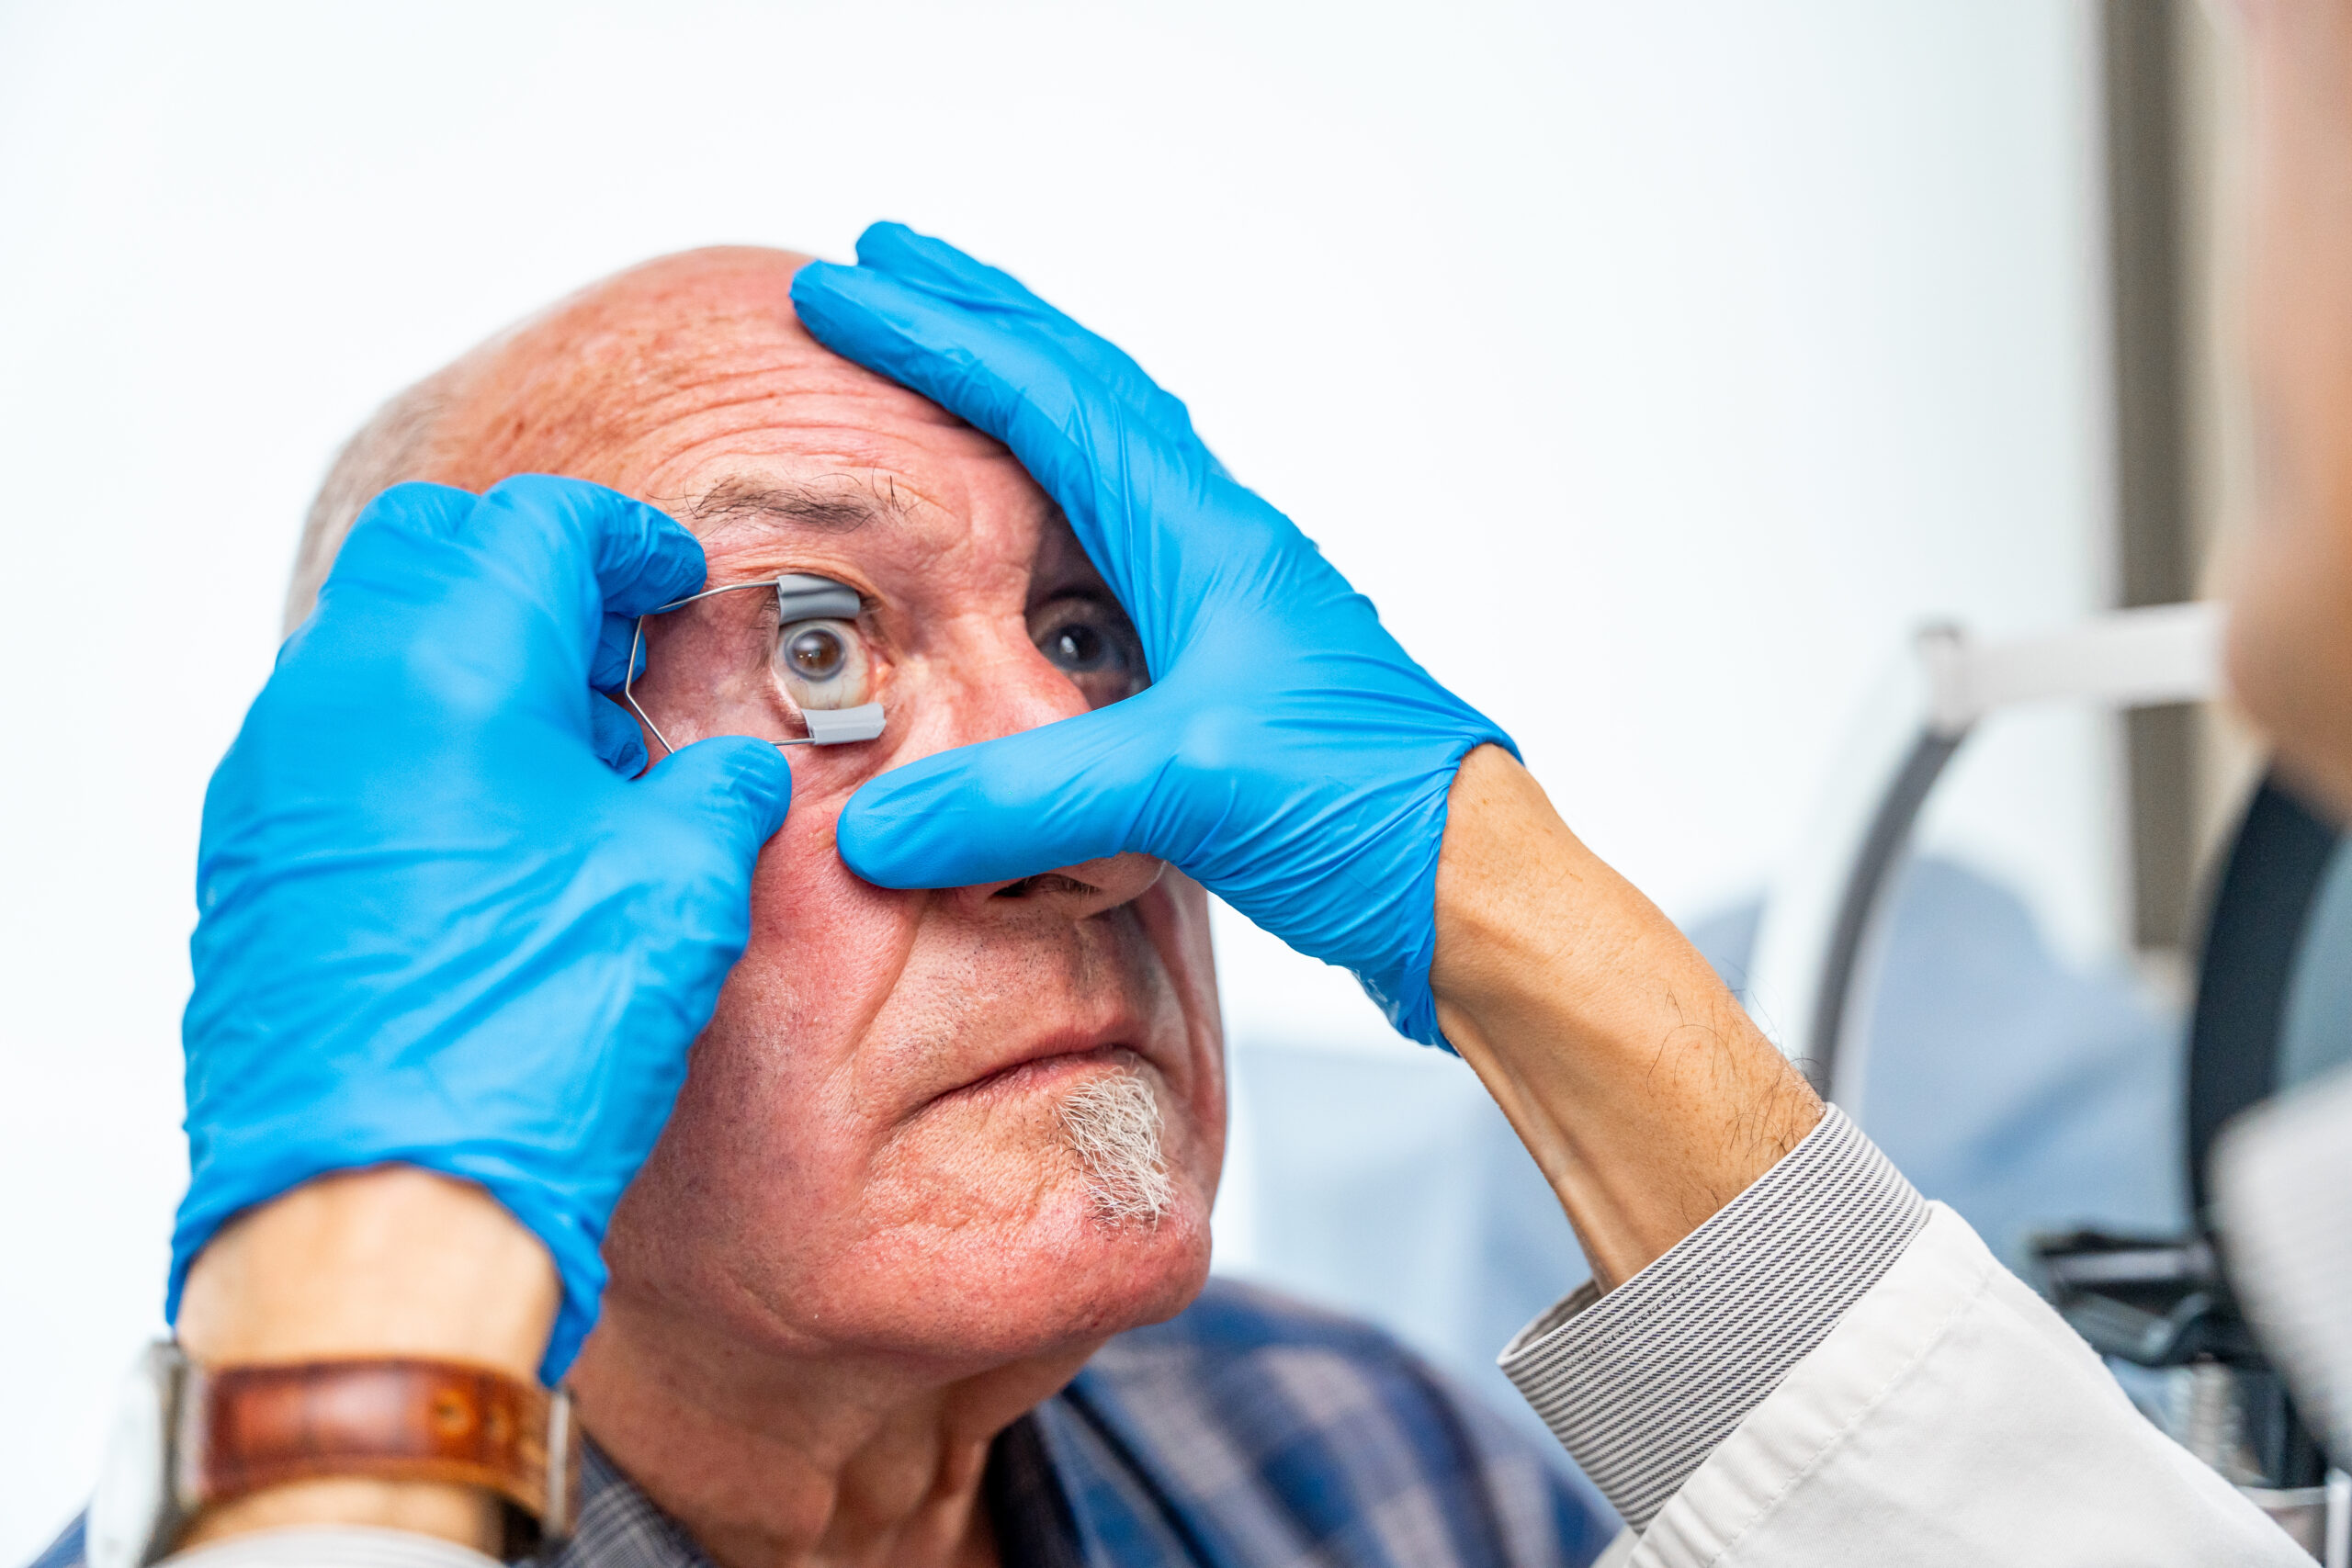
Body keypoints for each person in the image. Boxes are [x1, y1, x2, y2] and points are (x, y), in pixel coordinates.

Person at [38, 1, 2352, 1560]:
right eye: (817, 644)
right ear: (459, 892)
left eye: (1091, 637)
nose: (1086, 792)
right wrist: (368, 1302)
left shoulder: (1365, 1470)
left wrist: (1485, 872)